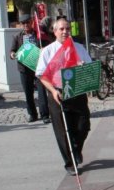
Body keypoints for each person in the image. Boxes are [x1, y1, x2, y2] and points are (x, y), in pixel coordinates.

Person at [35, 19, 93, 175]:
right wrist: (53, 91)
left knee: (83, 125)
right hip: (58, 94)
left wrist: (83, 67)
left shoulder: (78, 48)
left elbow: (89, 67)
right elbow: (41, 75)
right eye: (61, 29)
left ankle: (76, 150)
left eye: (67, 29)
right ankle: (70, 163)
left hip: (77, 92)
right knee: (62, 131)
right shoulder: (48, 51)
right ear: (55, 32)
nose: (65, 31)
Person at [10, 14, 50, 123]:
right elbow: (12, 51)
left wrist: (43, 49)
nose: (26, 25)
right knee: (28, 93)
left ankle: (45, 115)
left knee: (42, 92)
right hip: (24, 68)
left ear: (32, 22)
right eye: (23, 23)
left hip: (38, 67)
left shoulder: (40, 35)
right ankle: (32, 114)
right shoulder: (17, 36)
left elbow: (48, 47)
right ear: (21, 24)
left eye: (27, 22)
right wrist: (13, 54)